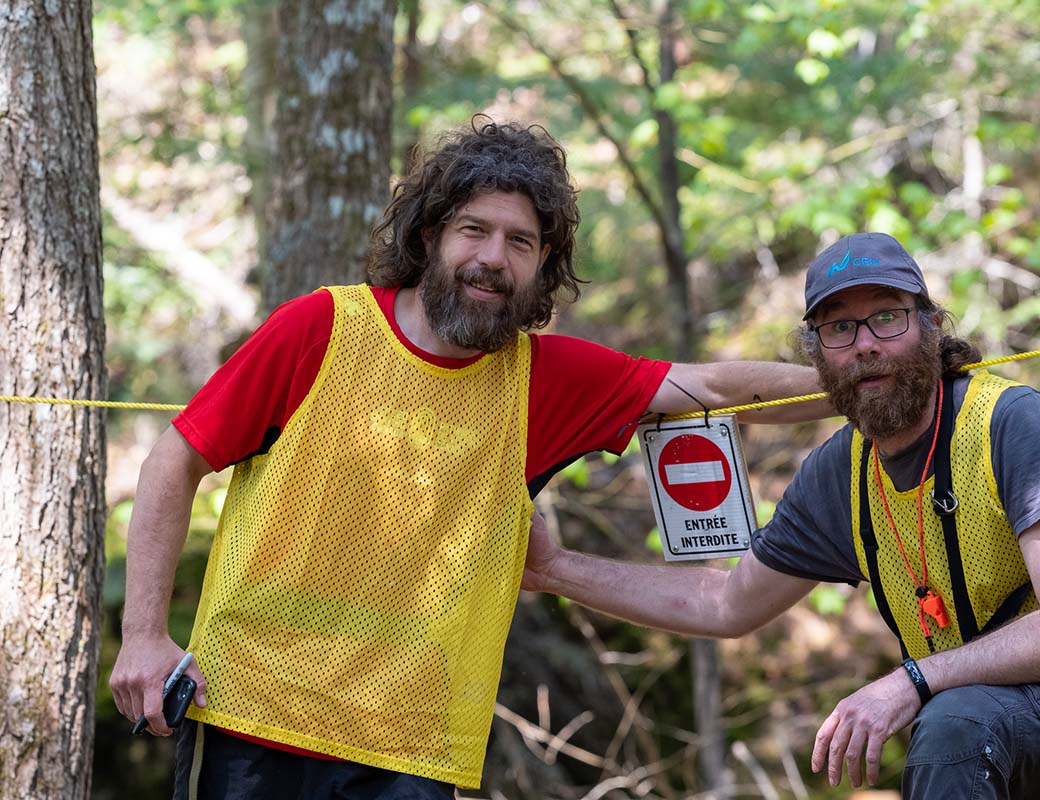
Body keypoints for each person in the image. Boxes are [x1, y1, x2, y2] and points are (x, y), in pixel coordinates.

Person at [109, 117, 831, 799]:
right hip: (248, 719)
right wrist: (142, 634)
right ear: (429, 236)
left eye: (520, 242)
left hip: (409, 750)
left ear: (544, 262)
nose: (492, 258)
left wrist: (869, 386)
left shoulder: (544, 380)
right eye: (473, 230)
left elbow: (709, 388)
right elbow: (175, 461)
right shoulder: (321, 328)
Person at [523, 232, 1040, 799]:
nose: (866, 343)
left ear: (932, 328)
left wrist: (910, 681)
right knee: (954, 724)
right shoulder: (839, 475)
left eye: (888, 317)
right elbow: (724, 604)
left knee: (953, 723)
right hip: (1000, 724)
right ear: (818, 355)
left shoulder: (1009, 422)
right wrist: (554, 569)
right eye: (840, 327)